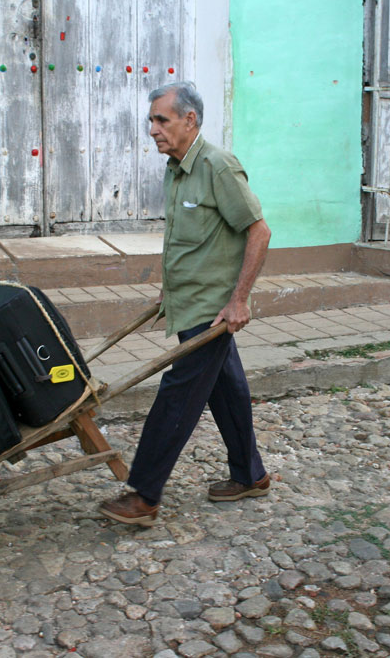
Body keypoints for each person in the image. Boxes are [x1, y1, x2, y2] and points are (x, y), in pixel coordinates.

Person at [98, 82, 273, 526]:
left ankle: (143, 495)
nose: (153, 129)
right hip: (189, 301)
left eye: (162, 120)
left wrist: (239, 301)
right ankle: (250, 475)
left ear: (190, 120)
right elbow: (189, 242)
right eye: (151, 120)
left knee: (177, 398)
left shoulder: (217, 166)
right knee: (227, 389)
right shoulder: (176, 169)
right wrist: (168, 291)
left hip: (211, 311)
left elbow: (258, 231)